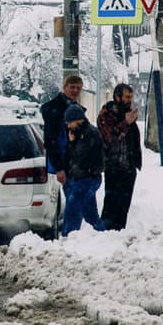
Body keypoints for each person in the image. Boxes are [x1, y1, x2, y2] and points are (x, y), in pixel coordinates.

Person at [96, 82, 142, 231]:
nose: (129, 100)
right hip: (114, 166)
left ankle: (119, 231)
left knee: (123, 205)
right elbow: (110, 138)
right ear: (117, 97)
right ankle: (107, 233)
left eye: (131, 97)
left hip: (128, 166)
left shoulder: (127, 113)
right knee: (111, 204)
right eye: (127, 97)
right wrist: (126, 123)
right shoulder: (107, 113)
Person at [60, 103, 105, 235]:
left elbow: (78, 156)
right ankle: (102, 235)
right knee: (90, 214)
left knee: (72, 211)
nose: (68, 126)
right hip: (85, 178)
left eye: (70, 122)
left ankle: (68, 238)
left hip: (87, 179)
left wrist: (72, 142)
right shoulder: (80, 132)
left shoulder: (88, 134)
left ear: (78, 119)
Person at [41, 74, 84, 183]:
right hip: (63, 166)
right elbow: (51, 141)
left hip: (76, 166)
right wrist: (59, 168)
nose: (75, 90)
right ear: (64, 87)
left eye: (78, 88)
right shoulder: (54, 110)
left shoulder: (76, 108)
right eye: (72, 87)